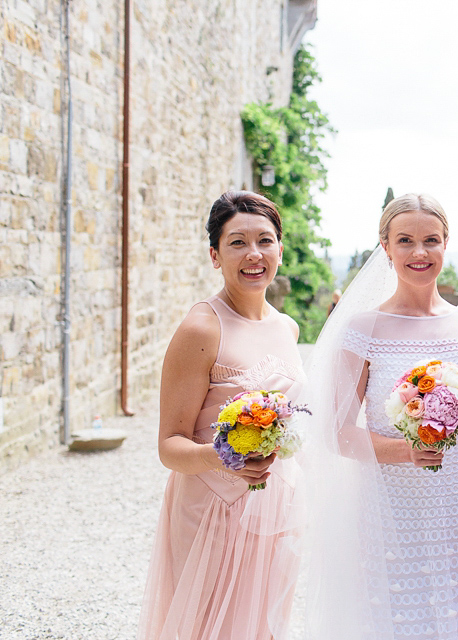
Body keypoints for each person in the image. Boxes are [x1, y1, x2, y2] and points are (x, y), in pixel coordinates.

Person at [298, 194, 458, 640]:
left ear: (447, 244)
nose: (419, 252)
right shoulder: (364, 328)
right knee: (400, 618)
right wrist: (406, 450)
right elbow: (334, 433)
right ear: (385, 247)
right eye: (405, 240)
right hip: (392, 505)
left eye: (431, 240)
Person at [138, 191, 305, 640]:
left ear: (280, 250)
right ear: (215, 255)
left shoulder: (287, 327)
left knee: (265, 625)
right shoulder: (202, 327)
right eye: (237, 242)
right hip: (213, 507)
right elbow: (170, 446)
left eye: (265, 241)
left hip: (276, 506)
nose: (254, 254)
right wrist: (225, 456)